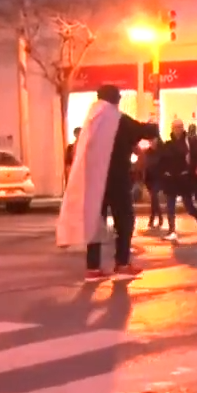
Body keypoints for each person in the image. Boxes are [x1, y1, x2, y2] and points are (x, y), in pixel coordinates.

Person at [57, 85, 159, 281]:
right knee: (125, 220)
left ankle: (93, 267)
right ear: (116, 99)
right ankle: (122, 263)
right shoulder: (116, 118)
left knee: (96, 221)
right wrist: (153, 121)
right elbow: (144, 131)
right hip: (116, 178)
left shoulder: (92, 119)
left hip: (93, 179)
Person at [158, 119, 197, 243]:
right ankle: (172, 230)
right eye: (175, 127)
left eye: (180, 127)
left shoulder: (189, 143)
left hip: (184, 179)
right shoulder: (168, 144)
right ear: (172, 129)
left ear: (183, 128)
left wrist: (189, 171)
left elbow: (195, 159)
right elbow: (163, 160)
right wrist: (165, 172)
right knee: (170, 205)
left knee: (189, 205)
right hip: (171, 179)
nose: (178, 130)